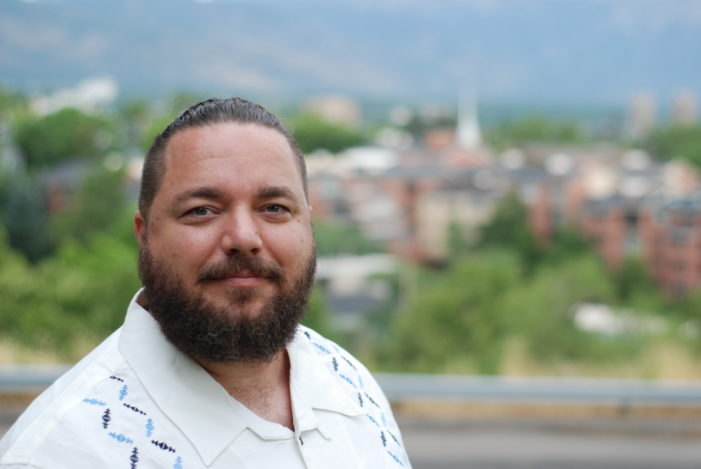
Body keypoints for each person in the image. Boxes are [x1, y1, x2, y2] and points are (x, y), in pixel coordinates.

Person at [0, 97, 411, 468]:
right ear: (145, 235)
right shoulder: (61, 453)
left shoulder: (352, 385)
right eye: (202, 210)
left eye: (274, 207)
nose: (244, 238)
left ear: (308, 226)